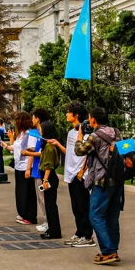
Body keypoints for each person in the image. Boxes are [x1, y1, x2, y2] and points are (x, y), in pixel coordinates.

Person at [75, 107, 123, 265]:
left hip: (101, 181)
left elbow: (79, 151)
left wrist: (80, 136)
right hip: (116, 180)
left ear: (93, 119)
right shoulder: (116, 132)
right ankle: (113, 249)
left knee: (95, 215)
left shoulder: (94, 136)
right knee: (112, 217)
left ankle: (108, 252)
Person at [47, 102, 95, 247]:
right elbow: (70, 152)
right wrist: (57, 144)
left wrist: (81, 171)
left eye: (69, 112)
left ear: (77, 115)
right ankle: (79, 232)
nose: (66, 115)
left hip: (81, 174)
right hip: (71, 174)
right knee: (75, 206)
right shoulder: (70, 133)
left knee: (83, 205)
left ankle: (88, 236)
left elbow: (88, 154)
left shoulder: (87, 133)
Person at [2, 111, 36, 225]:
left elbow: (31, 151)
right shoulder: (20, 135)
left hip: (25, 166)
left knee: (27, 193)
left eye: (17, 120)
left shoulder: (30, 134)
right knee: (20, 192)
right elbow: (17, 148)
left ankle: (30, 215)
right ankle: (23, 213)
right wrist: (7, 146)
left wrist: (28, 168)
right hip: (18, 166)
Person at [23, 109, 49, 232]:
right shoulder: (37, 134)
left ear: (38, 118)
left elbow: (42, 153)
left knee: (43, 197)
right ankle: (46, 220)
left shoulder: (44, 135)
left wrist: (27, 152)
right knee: (40, 198)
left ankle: (48, 221)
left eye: (33, 117)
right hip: (36, 170)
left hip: (41, 171)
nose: (32, 120)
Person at [39, 120, 62, 239]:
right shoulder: (48, 144)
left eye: (41, 128)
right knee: (49, 205)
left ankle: (54, 231)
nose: (39, 130)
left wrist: (45, 180)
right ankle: (51, 230)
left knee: (51, 205)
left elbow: (48, 165)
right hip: (49, 176)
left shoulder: (49, 146)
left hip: (49, 176)